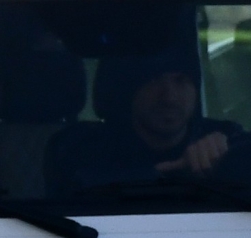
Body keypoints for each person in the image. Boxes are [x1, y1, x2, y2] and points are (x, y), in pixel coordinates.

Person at [46, 43, 241, 193]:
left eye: (181, 80)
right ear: (130, 89)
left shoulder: (226, 139)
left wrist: (225, 157)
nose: (169, 97)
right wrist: (158, 176)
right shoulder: (79, 149)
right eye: (154, 80)